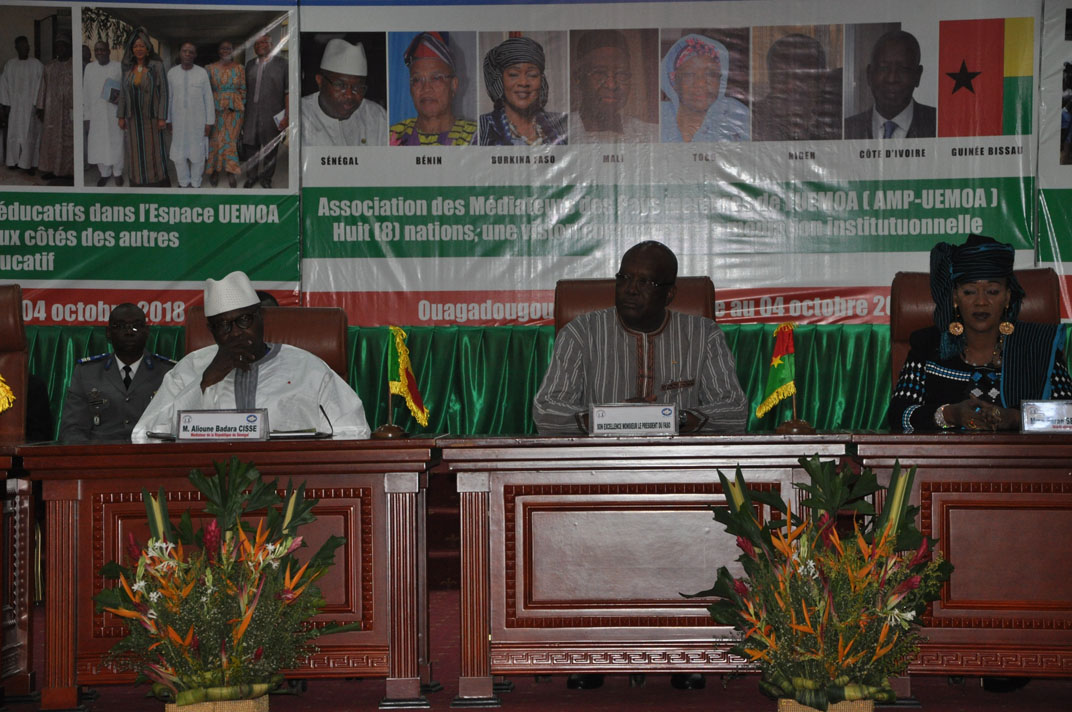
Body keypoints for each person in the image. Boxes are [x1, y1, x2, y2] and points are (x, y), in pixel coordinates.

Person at [533, 241, 748, 435]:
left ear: (669, 294)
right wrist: (612, 418)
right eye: (624, 278)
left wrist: (673, 419)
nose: (631, 289)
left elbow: (734, 410)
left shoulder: (703, 335)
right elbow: (546, 411)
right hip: (603, 465)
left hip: (676, 464)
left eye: (645, 282)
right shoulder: (580, 333)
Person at [133, 271, 371, 441]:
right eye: (223, 325)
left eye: (244, 320)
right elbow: (144, 435)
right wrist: (205, 381)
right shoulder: (189, 370)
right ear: (211, 331)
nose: (236, 332)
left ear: (261, 318)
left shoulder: (307, 368)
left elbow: (354, 431)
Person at [889, 234, 1072, 433]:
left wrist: (1014, 418)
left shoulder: (1038, 346)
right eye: (969, 292)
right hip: (944, 461)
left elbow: (1068, 416)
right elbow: (899, 416)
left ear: (1008, 297)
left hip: (1020, 461)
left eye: (992, 291)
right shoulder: (928, 346)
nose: (981, 302)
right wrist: (950, 415)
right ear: (955, 297)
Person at [59, 303, 175, 442]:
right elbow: (73, 429)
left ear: (147, 331)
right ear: (108, 332)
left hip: (149, 458)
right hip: (100, 459)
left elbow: (175, 427)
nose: (129, 332)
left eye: (136, 326)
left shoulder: (168, 372)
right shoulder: (87, 373)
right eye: (120, 326)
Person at [568, 30, 656, 144]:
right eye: (599, 73)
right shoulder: (558, 134)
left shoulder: (650, 134)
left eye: (621, 74)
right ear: (578, 78)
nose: (612, 85)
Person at [844, 30, 935, 139]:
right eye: (883, 68)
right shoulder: (846, 129)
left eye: (903, 69)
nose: (892, 79)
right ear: (869, 74)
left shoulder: (939, 123)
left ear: (917, 75)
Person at [390, 32, 476, 146]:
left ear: (453, 85)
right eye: (417, 80)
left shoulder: (475, 137)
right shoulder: (394, 135)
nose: (426, 88)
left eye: (436, 78)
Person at [660, 33, 749, 143]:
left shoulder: (737, 118)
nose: (701, 83)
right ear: (673, 80)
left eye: (711, 74)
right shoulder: (658, 120)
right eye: (689, 74)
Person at [479, 36, 567, 145]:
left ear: (542, 80)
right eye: (513, 75)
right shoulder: (482, 128)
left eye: (532, 75)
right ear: (500, 80)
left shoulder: (562, 125)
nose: (523, 83)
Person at [752, 33, 840, 141]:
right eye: (783, 76)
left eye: (802, 77)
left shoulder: (834, 122)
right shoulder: (750, 121)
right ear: (770, 78)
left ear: (821, 80)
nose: (792, 86)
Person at [301, 38, 387, 147]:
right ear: (320, 81)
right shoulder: (298, 115)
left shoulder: (377, 117)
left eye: (357, 87)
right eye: (340, 85)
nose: (349, 95)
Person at [117, 27, 169, 187]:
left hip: (152, 117)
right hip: (133, 118)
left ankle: (155, 181)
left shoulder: (157, 66)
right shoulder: (127, 68)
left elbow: (164, 93)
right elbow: (123, 93)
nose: (139, 49)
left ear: (147, 49)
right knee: (135, 150)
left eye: (142, 46)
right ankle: (138, 181)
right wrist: (121, 116)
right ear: (131, 50)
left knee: (153, 150)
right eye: (135, 47)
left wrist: (162, 117)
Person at [166, 42, 214, 188]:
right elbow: (169, 98)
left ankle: (196, 182)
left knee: (197, 154)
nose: (187, 54)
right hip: (178, 121)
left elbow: (208, 98)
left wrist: (209, 122)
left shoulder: (202, 73)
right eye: (184, 51)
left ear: (195, 55)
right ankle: (183, 182)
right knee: (179, 154)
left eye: (191, 52)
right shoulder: (172, 73)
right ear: (179, 53)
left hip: (198, 121)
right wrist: (168, 119)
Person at [242, 33, 288, 188]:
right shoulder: (249, 65)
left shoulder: (283, 64)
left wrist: (287, 115)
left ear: (271, 44)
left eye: (264, 42)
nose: (260, 45)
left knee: (270, 149)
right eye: (257, 43)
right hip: (251, 114)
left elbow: (288, 92)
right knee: (250, 148)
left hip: (272, 114)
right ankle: (251, 177)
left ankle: (266, 178)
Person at [206, 40, 245, 188]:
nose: (226, 51)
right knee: (215, 141)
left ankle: (231, 172)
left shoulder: (240, 68)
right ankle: (215, 171)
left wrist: (240, 107)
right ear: (219, 51)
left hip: (235, 112)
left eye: (229, 48)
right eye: (223, 48)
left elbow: (243, 90)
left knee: (230, 142)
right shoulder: (210, 68)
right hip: (215, 110)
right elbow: (206, 92)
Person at [84, 40, 124, 186]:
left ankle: (118, 172)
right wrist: (87, 117)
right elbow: (85, 93)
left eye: (102, 50)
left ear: (109, 51)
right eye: (97, 50)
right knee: (99, 143)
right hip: (96, 115)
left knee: (116, 142)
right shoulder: (89, 68)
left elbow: (125, 90)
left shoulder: (118, 67)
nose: (100, 52)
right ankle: (104, 173)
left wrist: (121, 103)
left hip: (114, 113)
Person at [0, 36, 42, 175]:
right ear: (16, 48)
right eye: (23, 46)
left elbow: (40, 86)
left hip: (30, 106)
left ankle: (28, 164)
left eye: (27, 46)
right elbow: (4, 86)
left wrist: (37, 105)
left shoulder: (36, 64)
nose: (26, 48)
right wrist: (6, 105)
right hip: (14, 107)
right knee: (13, 133)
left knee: (29, 135)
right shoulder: (10, 65)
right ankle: (13, 161)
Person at [35, 33, 74, 182]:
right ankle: (51, 169)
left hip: (69, 110)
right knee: (50, 140)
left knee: (68, 141)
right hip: (52, 111)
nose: (60, 49)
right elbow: (42, 89)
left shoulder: (73, 65)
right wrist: (41, 107)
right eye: (57, 46)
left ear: (68, 48)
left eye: (63, 46)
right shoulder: (49, 67)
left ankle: (68, 171)